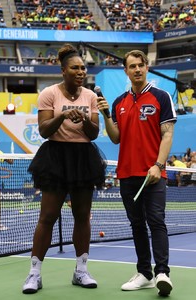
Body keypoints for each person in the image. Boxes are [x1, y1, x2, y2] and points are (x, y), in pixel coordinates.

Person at [22, 43, 106, 294]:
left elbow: (93, 134)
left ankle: (81, 270)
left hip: (83, 156)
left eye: (83, 68)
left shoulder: (90, 96)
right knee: (47, 216)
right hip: (55, 156)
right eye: (75, 68)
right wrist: (63, 116)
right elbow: (44, 130)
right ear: (63, 71)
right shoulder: (49, 93)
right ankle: (34, 274)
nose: (81, 72)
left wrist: (83, 122)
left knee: (82, 216)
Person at [97, 50, 177, 297]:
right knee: (136, 225)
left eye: (141, 65)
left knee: (156, 221)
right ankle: (144, 273)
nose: (137, 70)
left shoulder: (161, 97)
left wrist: (159, 165)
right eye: (132, 66)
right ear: (126, 71)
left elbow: (167, 134)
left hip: (153, 174)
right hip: (127, 174)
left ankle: (162, 272)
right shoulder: (120, 102)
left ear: (147, 67)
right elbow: (116, 137)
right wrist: (105, 115)